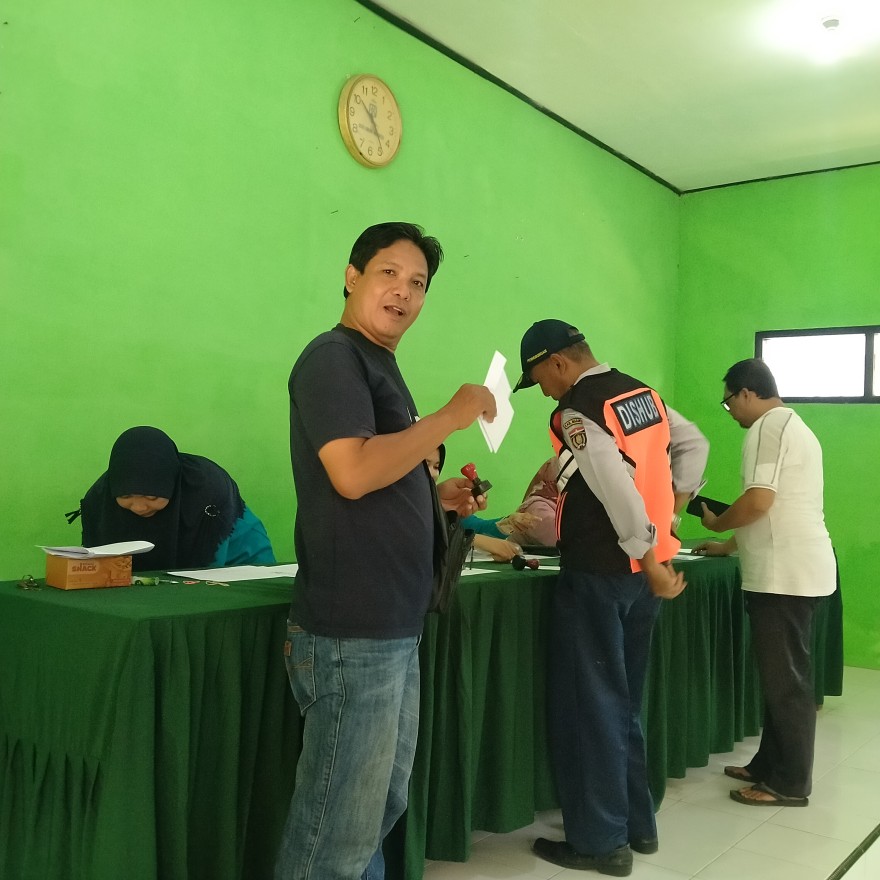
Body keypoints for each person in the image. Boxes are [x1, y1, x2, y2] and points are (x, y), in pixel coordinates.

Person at [277, 222, 496, 880]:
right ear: (352, 277)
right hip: (353, 628)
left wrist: (439, 499)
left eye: (418, 283)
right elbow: (351, 472)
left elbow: (384, 472)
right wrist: (452, 415)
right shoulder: (332, 357)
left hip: (394, 623)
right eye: (389, 274)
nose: (403, 291)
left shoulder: (380, 366)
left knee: (377, 807)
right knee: (336, 830)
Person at [513, 319, 708, 877]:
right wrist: (670, 518)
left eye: (539, 380)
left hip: (601, 572)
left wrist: (646, 552)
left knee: (591, 706)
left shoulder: (577, 410)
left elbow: (610, 481)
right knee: (622, 704)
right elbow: (694, 443)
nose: (544, 393)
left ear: (556, 363)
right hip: (641, 578)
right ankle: (637, 825)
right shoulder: (642, 395)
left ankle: (600, 842)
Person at [694, 358, 836, 808]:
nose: (731, 412)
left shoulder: (767, 427)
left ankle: (790, 784)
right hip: (796, 569)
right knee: (782, 678)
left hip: (783, 575)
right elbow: (775, 507)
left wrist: (717, 523)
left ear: (746, 393)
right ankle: (768, 764)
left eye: (728, 402)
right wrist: (728, 546)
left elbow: (758, 501)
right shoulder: (794, 426)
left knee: (786, 683)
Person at [74, 425, 274, 572]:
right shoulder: (100, 497)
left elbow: (214, 570)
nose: (139, 507)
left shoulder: (206, 490)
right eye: (126, 496)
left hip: (239, 566)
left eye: (151, 497)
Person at [425, 446, 534, 562]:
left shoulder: (440, 501)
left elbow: (477, 527)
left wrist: (507, 524)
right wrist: (474, 540)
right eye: (425, 465)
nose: (432, 474)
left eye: (436, 467)